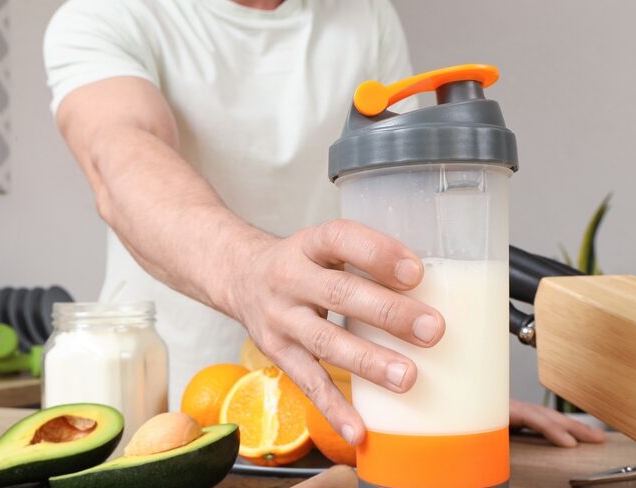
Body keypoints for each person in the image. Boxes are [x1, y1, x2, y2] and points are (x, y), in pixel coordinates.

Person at [43, 0, 604, 448]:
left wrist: (447, 391)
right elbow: (120, 159)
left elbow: (408, 205)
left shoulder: (366, 16)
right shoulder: (105, 14)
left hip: (335, 410)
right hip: (163, 413)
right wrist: (248, 271)